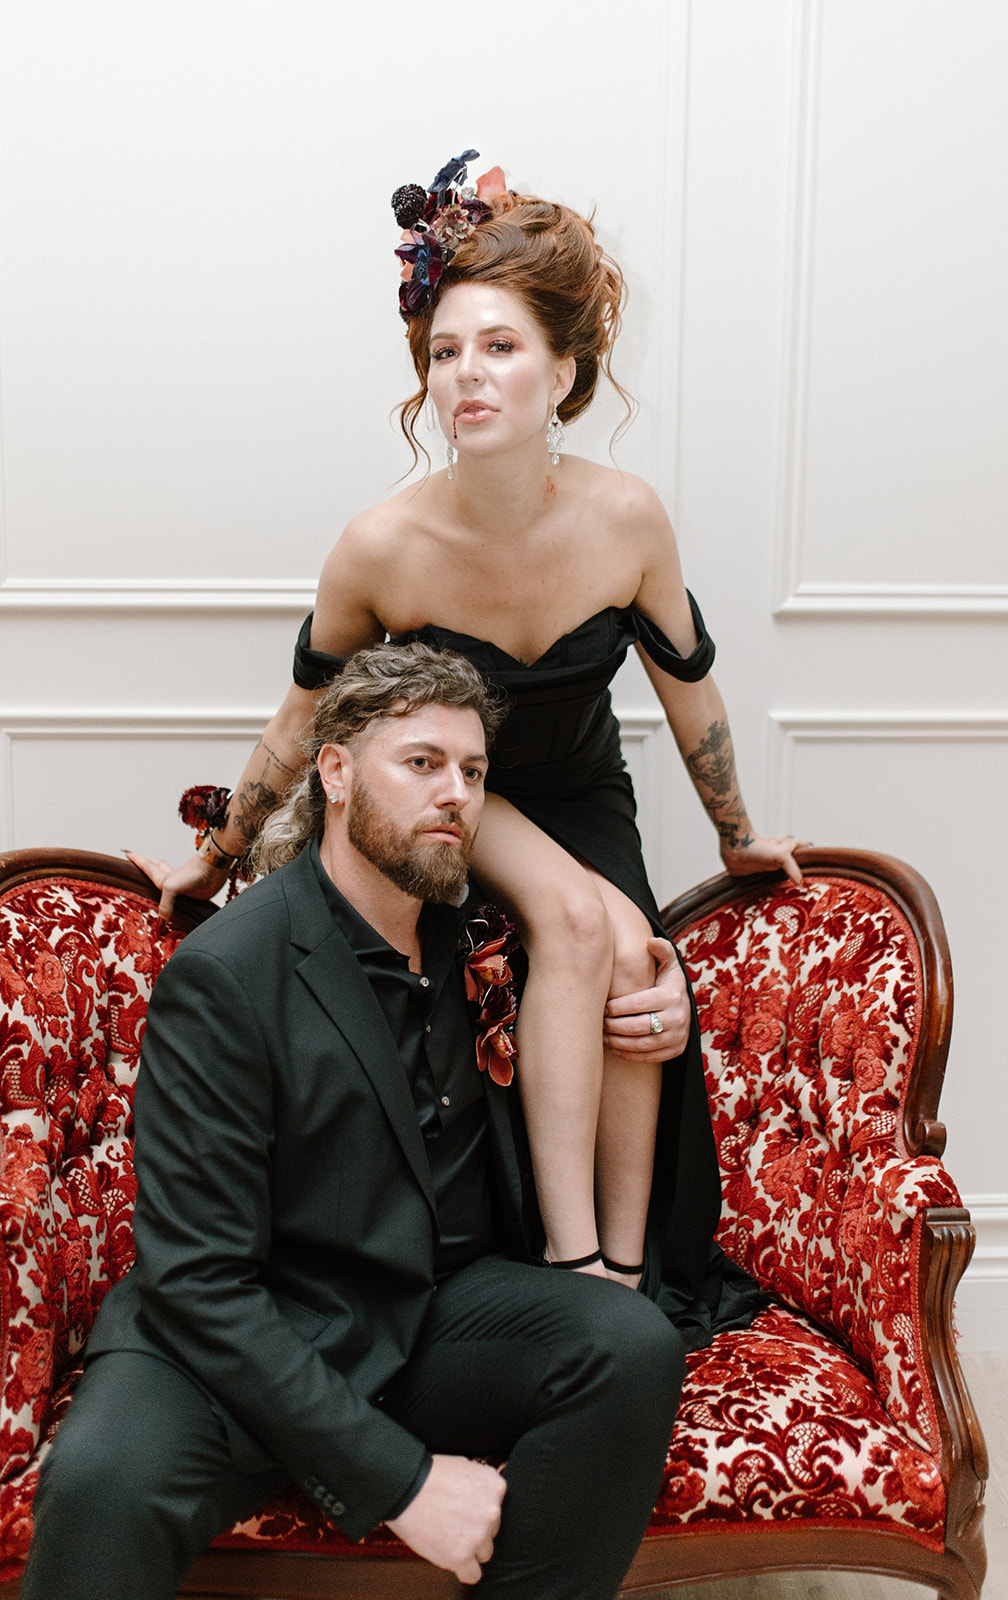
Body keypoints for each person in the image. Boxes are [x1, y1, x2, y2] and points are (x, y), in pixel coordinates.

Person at [129, 150, 802, 1344]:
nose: (465, 376)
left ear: (564, 370)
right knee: (580, 921)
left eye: (496, 347)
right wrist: (222, 844)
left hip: (582, 787)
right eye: (444, 351)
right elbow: (300, 717)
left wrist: (738, 837)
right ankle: (568, 1259)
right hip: (456, 785)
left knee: (642, 961)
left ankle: (635, 1276)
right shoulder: (381, 544)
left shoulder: (626, 516)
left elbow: (688, 690)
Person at [23, 643, 687, 1600]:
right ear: (334, 771)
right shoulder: (227, 973)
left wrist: (663, 1010)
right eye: (421, 763)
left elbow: (607, 956)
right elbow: (199, 1280)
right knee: (100, 1487)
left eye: (472, 771)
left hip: (427, 1315)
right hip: (248, 1324)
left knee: (626, 1346)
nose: (454, 792)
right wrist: (404, 1483)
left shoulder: (483, 937)